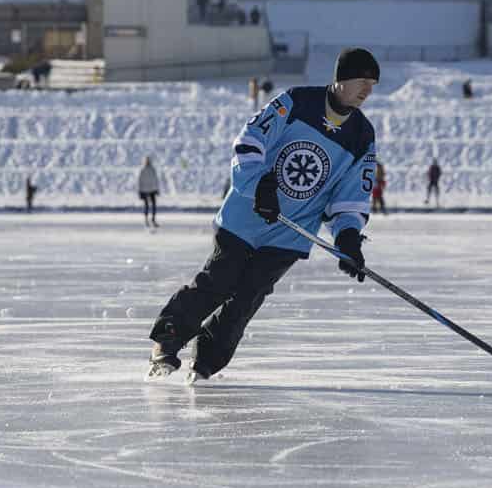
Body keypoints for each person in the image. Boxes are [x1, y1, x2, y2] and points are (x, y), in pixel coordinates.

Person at [147, 47, 381, 383]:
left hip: (289, 234)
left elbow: (351, 196)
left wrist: (348, 238)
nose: (367, 91)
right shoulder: (295, 102)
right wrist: (259, 186)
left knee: (247, 299)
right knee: (218, 283)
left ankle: (206, 362)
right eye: (362, 81)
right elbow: (249, 141)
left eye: (372, 85)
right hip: (246, 218)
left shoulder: (362, 135)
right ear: (342, 79)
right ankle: (166, 342)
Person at [138, 156, 163, 228]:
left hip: (151, 189)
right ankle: (147, 220)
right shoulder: (144, 170)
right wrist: (140, 190)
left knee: (152, 206)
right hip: (146, 190)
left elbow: (155, 180)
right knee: (147, 206)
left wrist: (157, 189)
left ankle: (152, 219)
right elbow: (140, 181)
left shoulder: (151, 169)